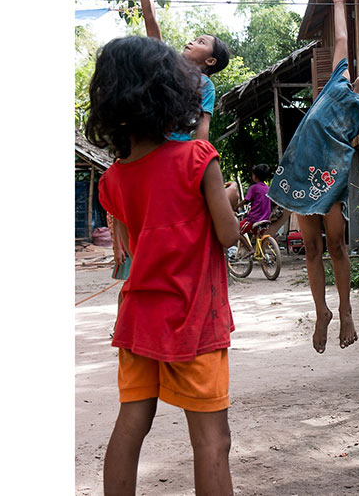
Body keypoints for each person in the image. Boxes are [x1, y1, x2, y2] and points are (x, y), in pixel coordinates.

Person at [86, 36, 240, 496]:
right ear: (170, 93)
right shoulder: (198, 158)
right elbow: (227, 234)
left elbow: (135, 248)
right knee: (213, 441)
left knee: (131, 427)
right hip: (194, 320)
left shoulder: (113, 179)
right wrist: (230, 200)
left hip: (138, 320)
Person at [267, 0, 359, 354]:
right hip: (300, 170)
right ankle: (321, 313)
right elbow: (342, 40)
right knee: (311, 249)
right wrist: (339, 3)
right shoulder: (338, 80)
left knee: (337, 246)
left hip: (327, 177)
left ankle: (345, 310)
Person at [132, 0, 230, 142]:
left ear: (210, 61)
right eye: (195, 39)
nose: (192, 42)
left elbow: (203, 128)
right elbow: (150, 19)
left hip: (177, 153)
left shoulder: (205, 85)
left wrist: (201, 161)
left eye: (201, 42)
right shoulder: (166, 66)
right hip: (148, 145)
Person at [226, 163, 274, 256]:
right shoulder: (267, 188)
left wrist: (236, 207)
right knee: (258, 236)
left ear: (255, 177)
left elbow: (246, 200)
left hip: (254, 218)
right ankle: (262, 254)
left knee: (237, 231)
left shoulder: (254, 188)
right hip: (265, 218)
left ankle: (250, 249)